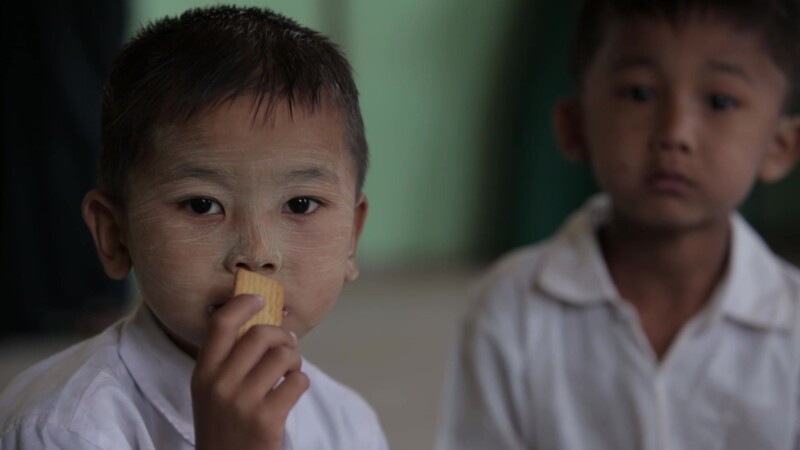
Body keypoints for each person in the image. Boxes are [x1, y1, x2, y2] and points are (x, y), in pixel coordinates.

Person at [0, 6, 387, 450]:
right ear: (113, 234)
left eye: (300, 204)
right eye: (203, 205)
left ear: (352, 239)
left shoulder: (348, 423)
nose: (256, 253)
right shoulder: (60, 429)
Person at [436, 0, 800, 449]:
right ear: (575, 126)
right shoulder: (510, 309)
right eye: (639, 93)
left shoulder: (792, 327)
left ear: (780, 147)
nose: (675, 132)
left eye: (719, 101)